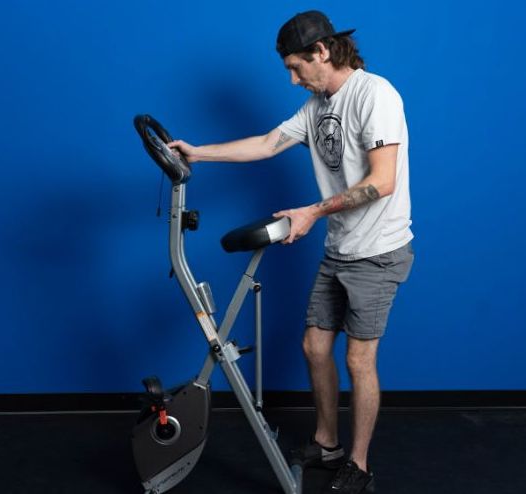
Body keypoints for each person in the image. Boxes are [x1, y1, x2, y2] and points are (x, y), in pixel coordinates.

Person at [169, 10, 413, 494]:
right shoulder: (318, 105)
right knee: (314, 346)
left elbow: (381, 182)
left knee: (359, 361)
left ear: (321, 52)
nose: (292, 77)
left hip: (379, 251)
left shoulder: (375, 95)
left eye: (295, 67)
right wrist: (197, 152)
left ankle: (359, 464)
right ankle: (327, 444)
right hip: (340, 247)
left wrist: (310, 213)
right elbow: (264, 144)